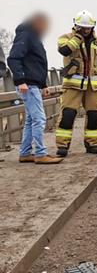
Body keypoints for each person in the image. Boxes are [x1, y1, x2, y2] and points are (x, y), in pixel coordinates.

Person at [55, 10, 97, 157]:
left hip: (92, 86)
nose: (86, 30)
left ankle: (92, 144)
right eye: (83, 27)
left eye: (88, 28)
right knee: (68, 114)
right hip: (72, 85)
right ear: (76, 26)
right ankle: (62, 146)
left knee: (94, 115)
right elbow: (64, 50)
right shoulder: (65, 38)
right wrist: (78, 38)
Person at [7, 12, 63, 164]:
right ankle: (40, 154)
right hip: (28, 85)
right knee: (39, 119)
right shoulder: (26, 35)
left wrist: (43, 84)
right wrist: (20, 80)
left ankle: (25, 153)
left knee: (31, 120)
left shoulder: (34, 37)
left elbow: (37, 63)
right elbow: (13, 58)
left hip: (33, 84)